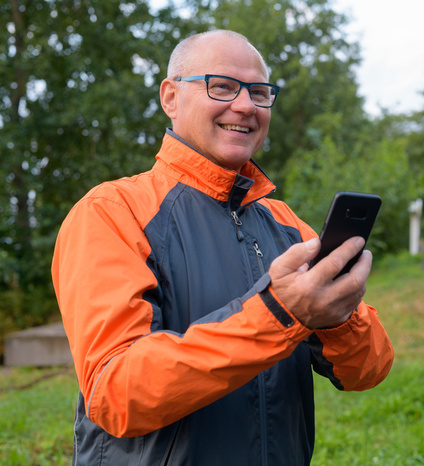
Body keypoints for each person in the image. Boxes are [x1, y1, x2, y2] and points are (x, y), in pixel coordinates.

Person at [51, 29, 394, 465]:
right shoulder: (112, 212)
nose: (246, 105)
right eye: (223, 86)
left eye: (259, 92)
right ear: (171, 97)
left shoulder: (287, 224)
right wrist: (280, 314)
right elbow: (116, 392)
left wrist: (338, 316)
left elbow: (368, 370)